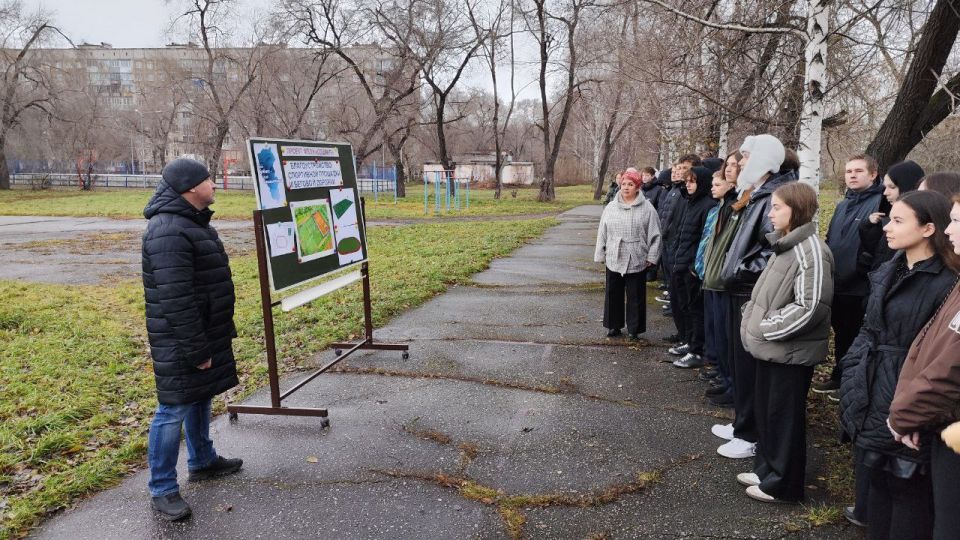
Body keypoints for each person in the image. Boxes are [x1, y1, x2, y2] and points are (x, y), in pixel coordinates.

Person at [838, 191, 959, 539]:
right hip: (870, 393)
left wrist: (911, 412)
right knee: (876, 485)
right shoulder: (888, 271)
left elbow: (941, 361)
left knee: (908, 494)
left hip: (908, 404)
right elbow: (867, 330)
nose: (887, 227)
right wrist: (852, 373)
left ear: (927, 229)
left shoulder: (947, 281)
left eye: (898, 220)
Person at [142, 158, 243, 521]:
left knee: (201, 395)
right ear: (190, 188)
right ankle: (162, 488)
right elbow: (176, 298)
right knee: (173, 409)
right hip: (182, 337)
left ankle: (202, 460)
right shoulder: (168, 230)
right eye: (208, 179)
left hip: (203, 330)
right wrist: (196, 348)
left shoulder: (190, 222)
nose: (214, 184)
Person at [739, 182, 834, 503]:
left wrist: (765, 329)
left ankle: (784, 484)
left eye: (777, 207)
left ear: (797, 210)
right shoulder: (786, 246)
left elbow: (810, 308)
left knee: (784, 418)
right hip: (771, 350)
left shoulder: (812, 252)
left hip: (789, 352)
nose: (770, 212)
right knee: (768, 412)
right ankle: (767, 469)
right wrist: (751, 318)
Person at [713, 134, 796, 459]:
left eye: (746, 157)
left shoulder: (773, 197)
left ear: (762, 159)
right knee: (739, 365)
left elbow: (774, 249)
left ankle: (749, 435)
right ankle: (742, 425)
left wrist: (740, 271)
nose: (741, 162)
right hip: (742, 290)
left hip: (752, 292)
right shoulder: (757, 194)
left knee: (749, 367)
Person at [889, 193, 960, 540]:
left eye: (958, 222)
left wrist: (903, 416)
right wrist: (913, 413)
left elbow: (948, 370)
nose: (949, 231)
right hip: (938, 422)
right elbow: (924, 347)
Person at [814, 154, 884, 397]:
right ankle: (839, 376)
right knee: (842, 335)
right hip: (837, 284)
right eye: (848, 171)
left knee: (855, 337)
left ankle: (850, 384)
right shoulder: (843, 204)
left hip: (860, 286)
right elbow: (833, 238)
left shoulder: (881, 203)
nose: (852, 175)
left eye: (858, 171)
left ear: (873, 174)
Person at [594, 169, 661, 340]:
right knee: (612, 292)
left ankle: (634, 328)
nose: (625, 187)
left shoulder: (647, 208)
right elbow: (603, 231)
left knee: (636, 295)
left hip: (637, 256)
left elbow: (655, 235)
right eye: (623, 184)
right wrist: (600, 253)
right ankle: (613, 325)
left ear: (637, 187)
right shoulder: (611, 207)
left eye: (630, 184)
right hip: (614, 255)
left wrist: (652, 257)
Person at [700, 152, 742, 406]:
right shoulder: (728, 202)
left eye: (738, 165)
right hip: (716, 274)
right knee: (720, 332)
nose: (730, 169)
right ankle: (726, 379)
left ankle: (731, 383)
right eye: (729, 164)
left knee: (729, 336)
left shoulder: (742, 201)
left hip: (730, 279)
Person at [666, 166, 715, 368]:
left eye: (692, 181)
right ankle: (688, 341)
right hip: (680, 263)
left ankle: (697, 350)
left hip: (692, 267)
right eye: (687, 181)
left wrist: (694, 266)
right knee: (685, 307)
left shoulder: (707, 205)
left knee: (696, 310)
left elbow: (704, 239)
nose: (688, 184)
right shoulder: (688, 202)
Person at [858, 160, 925, 276]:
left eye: (892, 187)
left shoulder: (922, 221)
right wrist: (868, 227)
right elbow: (878, 254)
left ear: (907, 186)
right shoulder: (884, 217)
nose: (885, 193)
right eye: (885, 187)